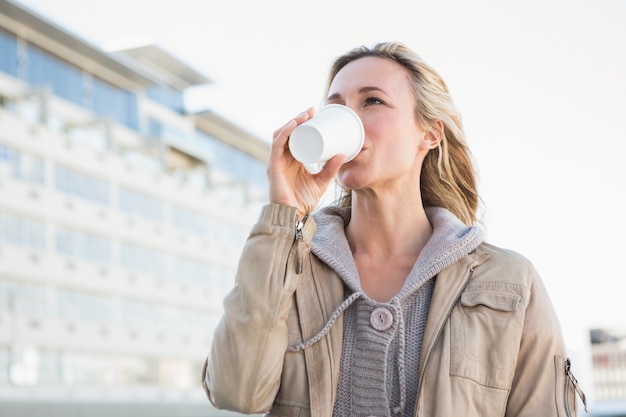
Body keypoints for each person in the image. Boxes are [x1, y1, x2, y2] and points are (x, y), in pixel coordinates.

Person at [201, 41, 586, 417]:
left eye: (372, 101)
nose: (347, 118)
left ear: (430, 134)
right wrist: (285, 213)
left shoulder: (510, 280)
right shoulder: (289, 268)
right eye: (335, 107)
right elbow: (236, 392)